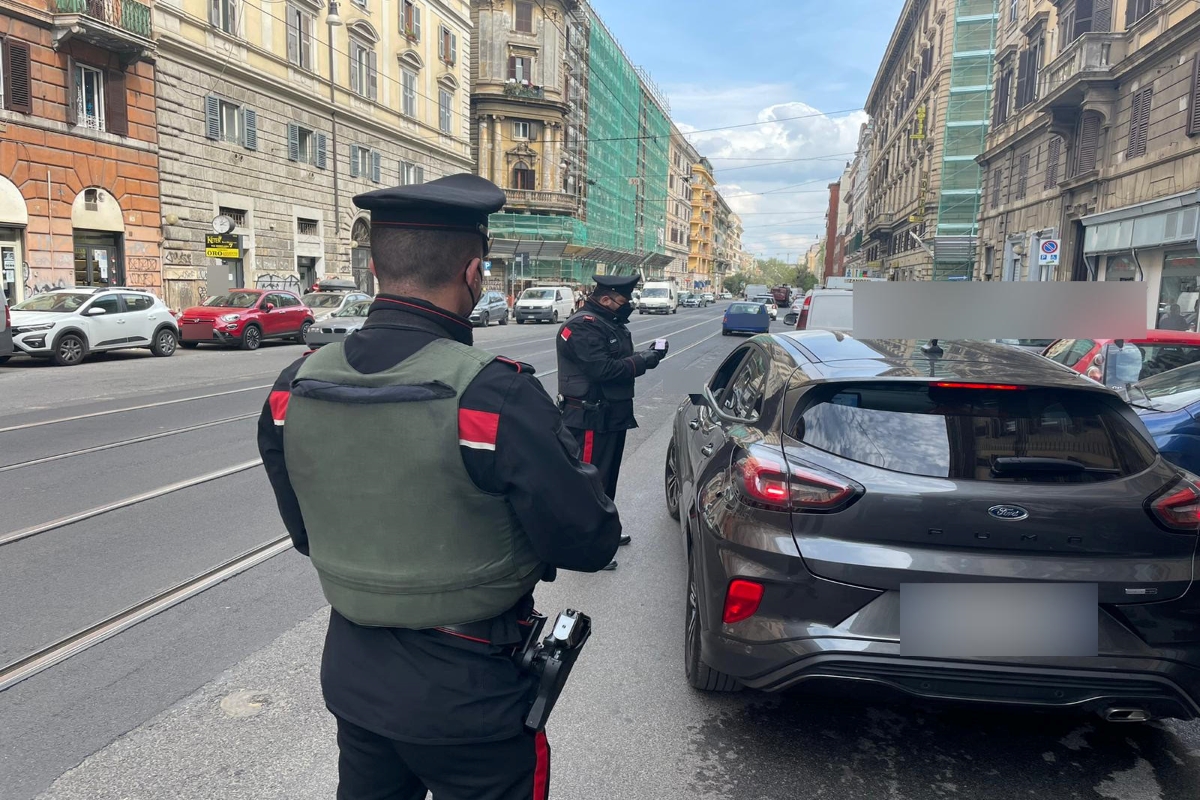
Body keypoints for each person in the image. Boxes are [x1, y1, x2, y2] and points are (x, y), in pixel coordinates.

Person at [257, 174, 622, 800]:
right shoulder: (494, 395)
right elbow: (588, 541)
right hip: (471, 696)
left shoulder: (293, 387)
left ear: (374, 267)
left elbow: (306, 535)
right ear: (475, 272)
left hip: (355, 679)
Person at [556, 274, 666, 570]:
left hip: (609, 415)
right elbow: (602, 369)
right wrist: (646, 360)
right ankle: (586, 550)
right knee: (590, 482)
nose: (627, 306)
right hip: (590, 417)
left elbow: (615, 357)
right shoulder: (583, 326)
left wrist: (645, 355)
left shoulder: (606, 322)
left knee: (605, 480)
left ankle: (603, 534)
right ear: (605, 299)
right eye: (623, 301)